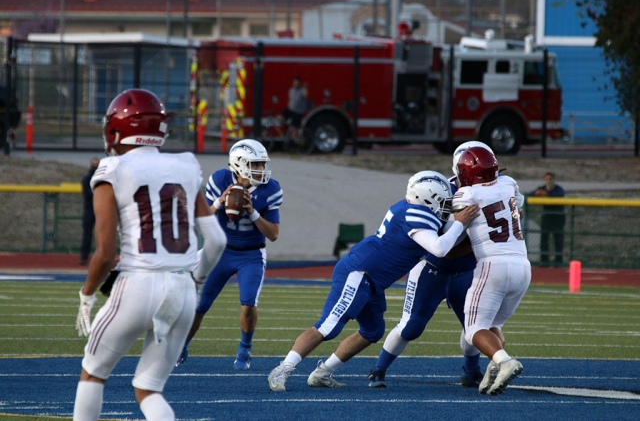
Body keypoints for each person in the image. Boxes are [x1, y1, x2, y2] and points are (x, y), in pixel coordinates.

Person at [72, 88, 227, 421]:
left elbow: (105, 253)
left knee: (94, 373)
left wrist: (86, 295)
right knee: (149, 389)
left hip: (136, 284)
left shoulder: (112, 169)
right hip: (182, 290)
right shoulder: (186, 165)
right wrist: (195, 279)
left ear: (115, 129)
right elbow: (215, 240)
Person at [267, 171, 480, 392]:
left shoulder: (410, 206)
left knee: (373, 330)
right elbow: (440, 248)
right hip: (359, 273)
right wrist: (460, 222)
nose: (447, 207)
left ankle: (322, 373)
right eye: (443, 202)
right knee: (328, 327)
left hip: (372, 279)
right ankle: (282, 369)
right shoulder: (417, 215)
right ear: (428, 199)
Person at [367, 141, 495, 389]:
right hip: (432, 266)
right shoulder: (439, 191)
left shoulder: (496, 188)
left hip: (467, 270)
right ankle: (378, 369)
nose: (485, 178)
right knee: (411, 326)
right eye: (478, 171)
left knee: (474, 325)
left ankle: (471, 371)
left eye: (488, 170)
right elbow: (440, 247)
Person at [176, 138, 283, 370]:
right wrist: (218, 202)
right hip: (219, 251)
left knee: (248, 303)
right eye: (255, 165)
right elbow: (200, 221)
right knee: (199, 305)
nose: (261, 170)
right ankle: (183, 344)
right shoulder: (219, 180)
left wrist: (253, 213)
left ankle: (245, 348)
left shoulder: (271, 189)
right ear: (240, 164)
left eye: (262, 165)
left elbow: (273, 234)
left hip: (251, 254)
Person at [452, 146, 531, 396]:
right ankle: (495, 366)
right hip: (522, 265)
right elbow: (517, 206)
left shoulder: (465, 193)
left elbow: (453, 222)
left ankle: (505, 361)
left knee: (474, 328)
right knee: (494, 323)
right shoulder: (508, 183)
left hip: (493, 265)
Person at [531, 172, 566, 266]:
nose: (548, 181)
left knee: (558, 241)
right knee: (544, 241)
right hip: (547, 218)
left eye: (550, 179)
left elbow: (559, 195)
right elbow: (531, 194)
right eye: (546, 179)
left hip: (558, 218)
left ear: (554, 180)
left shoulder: (558, 189)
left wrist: (546, 194)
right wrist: (537, 193)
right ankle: (544, 262)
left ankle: (558, 262)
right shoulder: (542, 188)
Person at [79, 157, 100, 265]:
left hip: (100, 210)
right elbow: (87, 195)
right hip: (90, 209)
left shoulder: (102, 179)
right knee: (87, 234)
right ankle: (84, 257)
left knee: (102, 235)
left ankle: (102, 257)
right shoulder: (87, 179)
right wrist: (97, 193)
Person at [278, 76, 308, 147]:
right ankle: (287, 129)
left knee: (294, 128)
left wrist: (306, 88)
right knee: (279, 118)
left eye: (297, 83)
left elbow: (306, 95)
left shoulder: (302, 90)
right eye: (294, 83)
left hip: (298, 111)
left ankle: (294, 143)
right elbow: (290, 99)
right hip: (290, 109)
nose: (295, 84)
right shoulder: (291, 90)